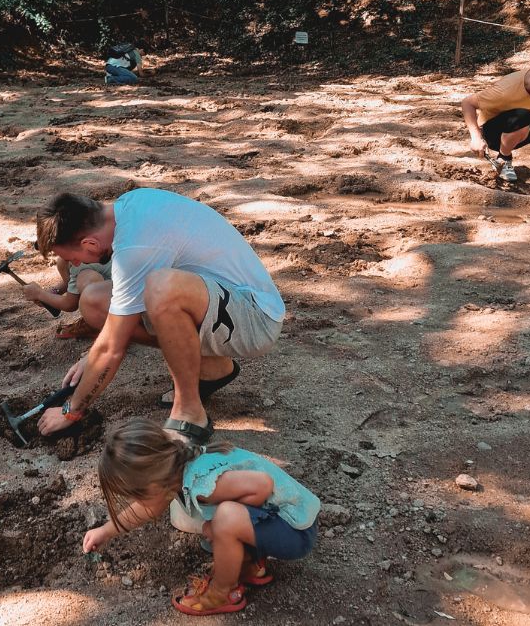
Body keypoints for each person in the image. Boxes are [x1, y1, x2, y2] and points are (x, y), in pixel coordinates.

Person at [34, 189, 286, 443]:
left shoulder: (134, 247)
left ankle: (190, 413)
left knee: (162, 288)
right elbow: (115, 326)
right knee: (96, 301)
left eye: (72, 259)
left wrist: (71, 411)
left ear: (90, 243)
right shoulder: (129, 206)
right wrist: (93, 355)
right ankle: (212, 367)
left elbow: (112, 347)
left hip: (255, 318)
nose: (76, 265)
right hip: (220, 304)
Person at [83, 418, 320, 615]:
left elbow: (262, 485)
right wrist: (105, 531)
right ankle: (251, 565)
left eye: (135, 495)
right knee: (218, 526)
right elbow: (146, 509)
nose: (137, 501)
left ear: (152, 486)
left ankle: (220, 592)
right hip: (282, 523)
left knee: (224, 520)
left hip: (296, 530)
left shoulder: (204, 482)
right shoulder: (175, 467)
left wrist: (227, 526)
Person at [460, 61, 530, 184]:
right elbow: (467, 103)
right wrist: (476, 138)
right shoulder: (505, 90)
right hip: (494, 133)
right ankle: (504, 159)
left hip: (526, 123)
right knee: (522, 115)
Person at [22, 257, 112, 340]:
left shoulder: (79, 263)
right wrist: (53, 293)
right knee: (70, 268)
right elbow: (70, 282)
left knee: (86, 280)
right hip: (114, 291)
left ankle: (97, 326)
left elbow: (70, 304)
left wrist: (39, 294)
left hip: (120, 310)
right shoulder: (76, 255)